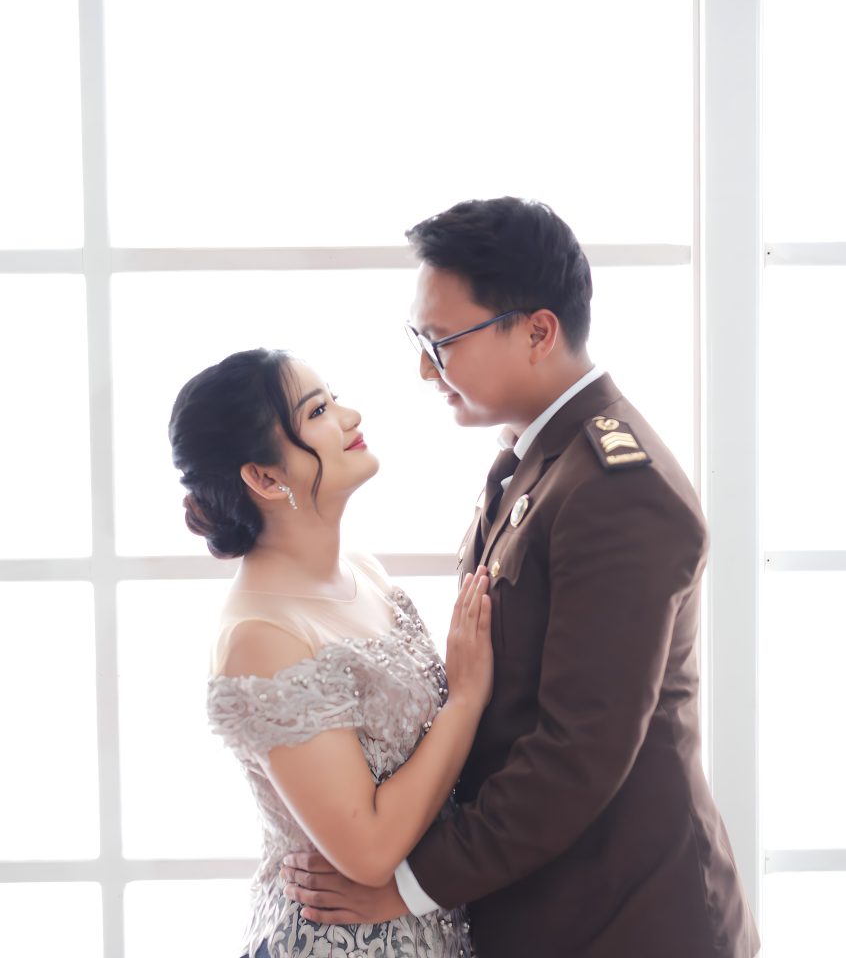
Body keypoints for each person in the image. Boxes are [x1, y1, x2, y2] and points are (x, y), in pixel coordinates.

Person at [281, 197, 761, 957]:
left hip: (629, 919)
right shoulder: (542, 456)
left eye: (442, 342)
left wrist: (406, 886)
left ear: (538, 331)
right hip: (556, 903)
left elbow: (577, 755)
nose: (424, 368)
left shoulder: (617, 489)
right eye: (419, 339)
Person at [168, 347, 494, 958]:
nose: (350, 417)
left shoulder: (365, 572)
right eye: (317, 411)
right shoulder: (260, 636)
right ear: (264, 478)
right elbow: (368, 851)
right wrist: (466, 700)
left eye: (333, 399)